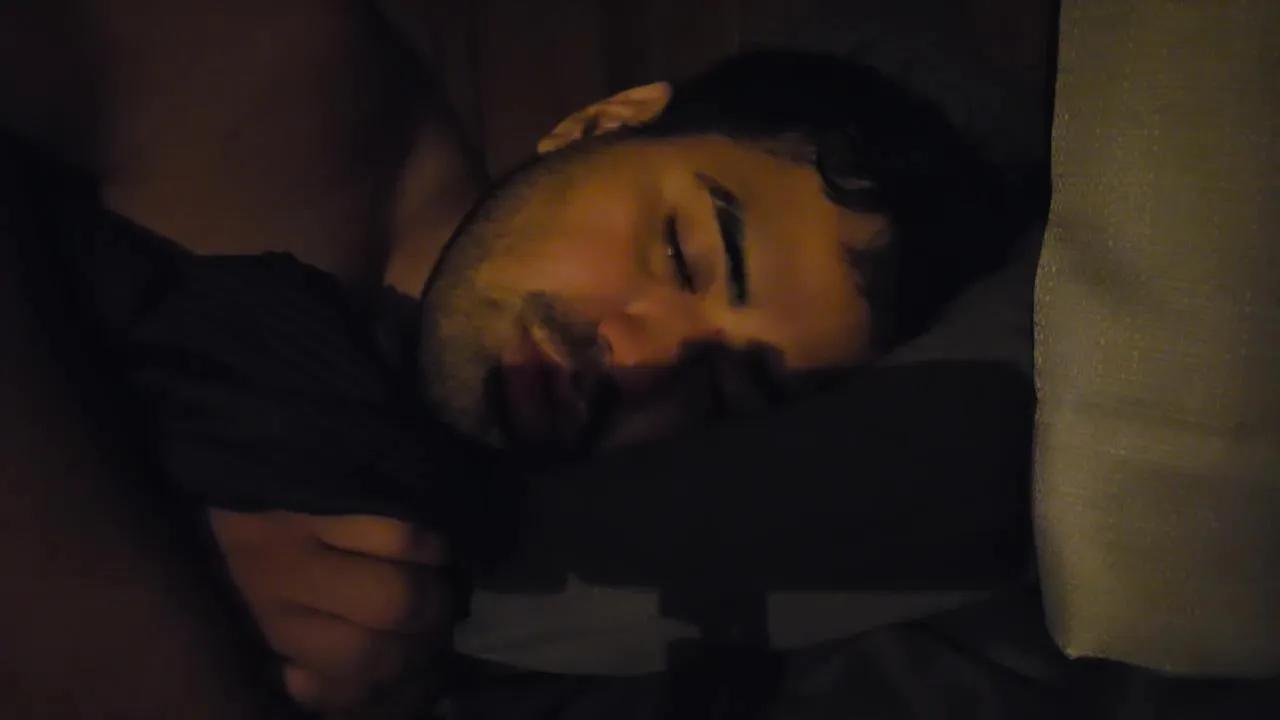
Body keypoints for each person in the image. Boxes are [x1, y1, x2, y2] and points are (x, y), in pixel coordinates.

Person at [1, 4, 1044, 718]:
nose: (639, 355)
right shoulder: (276, 76)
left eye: (722, 387)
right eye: (680, 253)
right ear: (603, 123)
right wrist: (164, 582)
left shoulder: (561, 596)